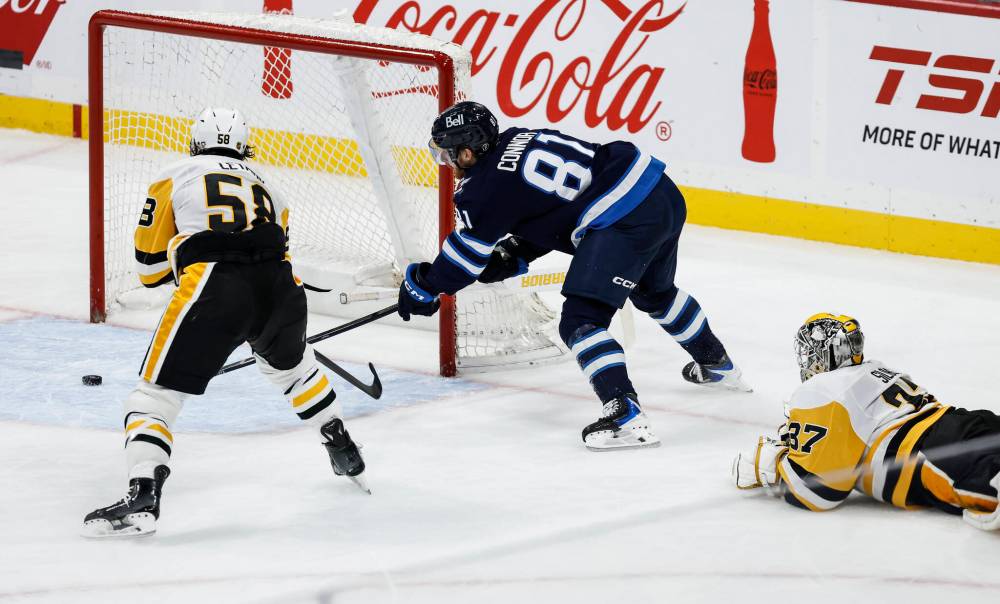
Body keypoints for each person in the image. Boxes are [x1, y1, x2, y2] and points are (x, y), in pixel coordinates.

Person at [398, 101, 750, 452]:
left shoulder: (481, 190)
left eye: (447, 156)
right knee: (653, 293)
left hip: (623, 218)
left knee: (581, 321)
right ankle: (716, 364)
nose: (446, 165)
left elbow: (464, 261)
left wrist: (425, 286)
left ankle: (626, 416)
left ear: (468, 152)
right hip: (660, 193)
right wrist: (518, 252)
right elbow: (557, 208)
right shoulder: (519, 138)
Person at [82, 108, 368, 538]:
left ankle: (142, 494)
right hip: (281, 288)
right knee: (295, 370)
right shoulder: (271, 186)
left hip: (215, 288)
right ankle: (342, 445)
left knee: (155, 397)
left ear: (195, 144)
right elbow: (281, 250)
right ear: (244, 147)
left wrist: (190, 262)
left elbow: (148, 269)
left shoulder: (176, 173)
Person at [732, 313, 1000, 530]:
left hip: (935, 453)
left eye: (810, 353)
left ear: (824, 354)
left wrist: (769, 465)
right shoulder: (876, 368)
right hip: (964, 420)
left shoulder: (823, 388)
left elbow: (817, 491)